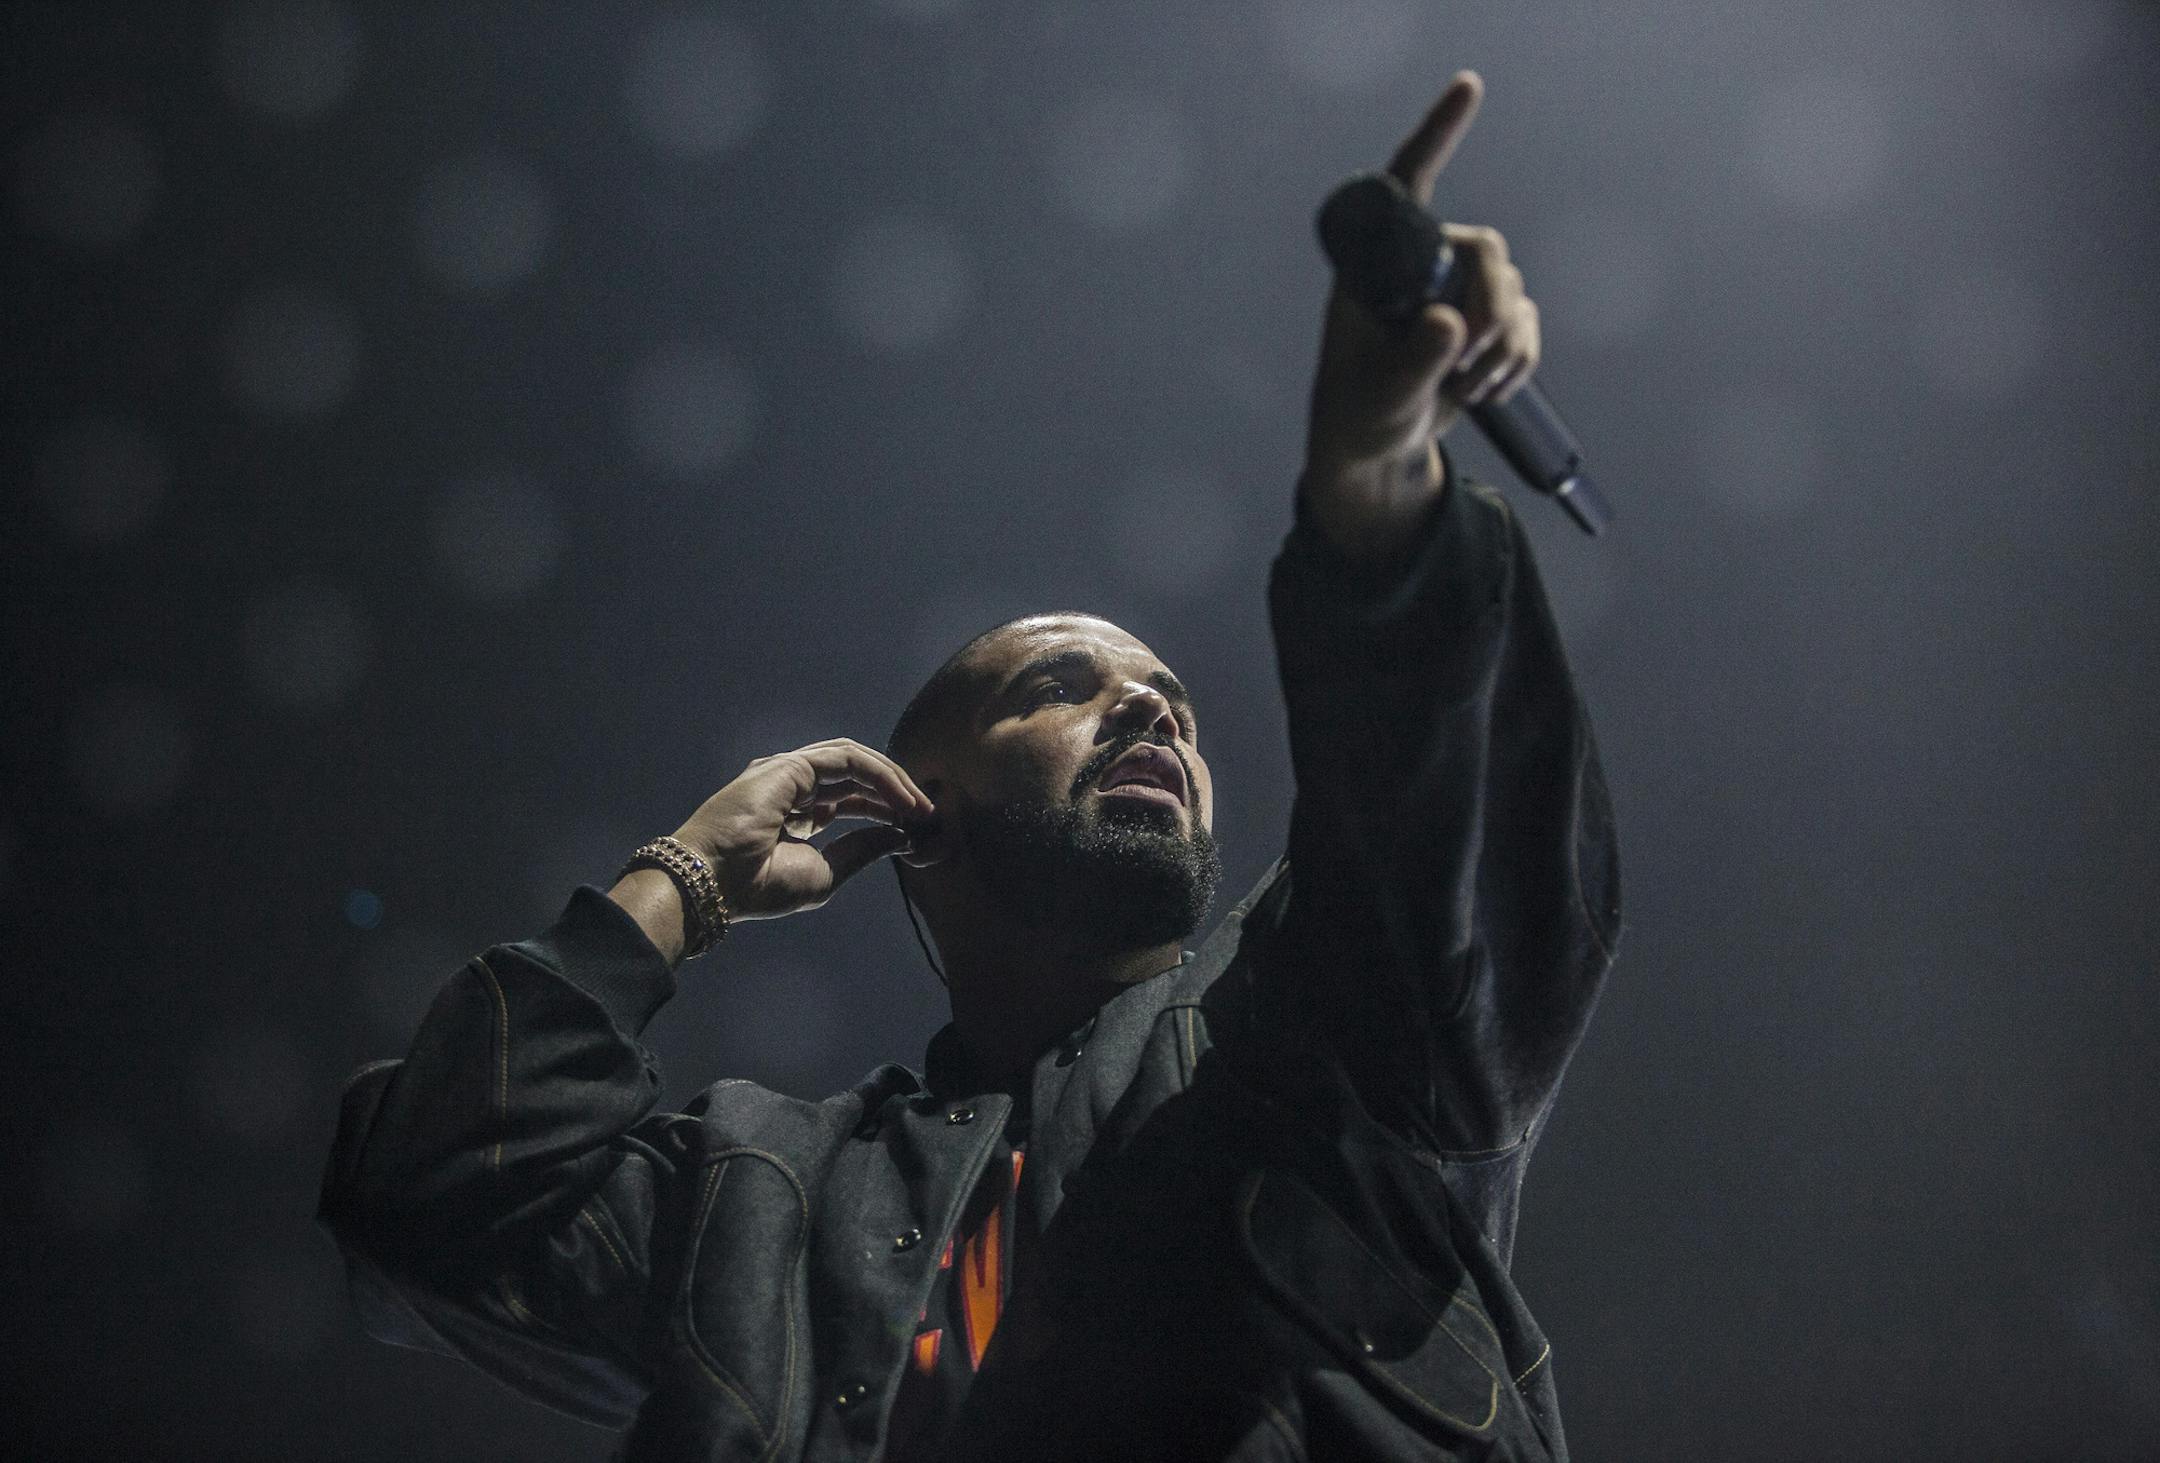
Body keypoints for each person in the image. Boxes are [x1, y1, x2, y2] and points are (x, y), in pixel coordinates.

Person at [319, 73, 1620, 1462]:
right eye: (1064, 689)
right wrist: (683, 882)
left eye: (1171, 703)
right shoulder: (755, 1195)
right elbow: (429, 1200)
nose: (1152, 716)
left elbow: (1456, 831)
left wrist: (1377, 482)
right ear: (910, 814)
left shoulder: (1323, 1039)